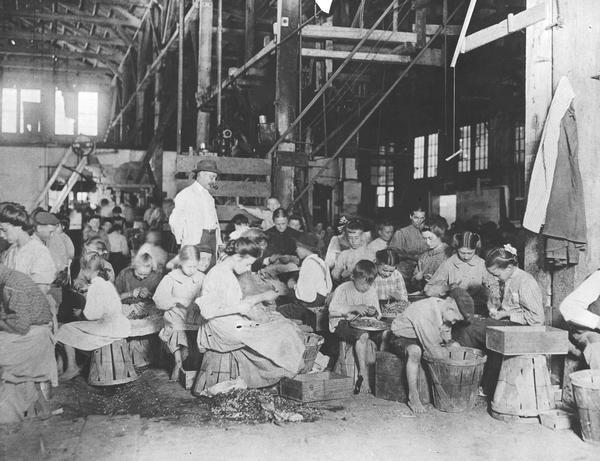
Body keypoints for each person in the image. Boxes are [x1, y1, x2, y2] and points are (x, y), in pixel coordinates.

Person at [193, 238, 305, 391]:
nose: (248, 267)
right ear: (237, 257)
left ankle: (278, 373)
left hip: (231, 321)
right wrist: (240, 308)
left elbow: (231, 302)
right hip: (221, 327)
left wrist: (255, 301)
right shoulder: (217, 275)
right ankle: (282, 373)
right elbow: (206, 311)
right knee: (281, 330)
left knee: (280, 323)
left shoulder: (227, 272)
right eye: (247, 263)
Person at [390, 287, 474, 413]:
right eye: (455, 319)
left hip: (422, 336)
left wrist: (453, 346)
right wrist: (453, 363)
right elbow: (434, 351)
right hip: (402, 336)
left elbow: (445, 334)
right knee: (415, 352)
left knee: (455, 346)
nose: (453, 322)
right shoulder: (425, 311)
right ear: (450, 307)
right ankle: (413, 397)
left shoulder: (444, 310)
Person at [453, 245, 545, 350]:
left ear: (509, 267)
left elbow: (537, 320)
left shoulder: (526, 282)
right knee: (465, 323)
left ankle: (467, 361)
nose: (496, 279)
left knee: (470, 329)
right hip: (509, 324)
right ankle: (467, 359)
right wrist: (495, 308)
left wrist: (507, 314)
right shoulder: (507, 279)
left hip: (523, 330)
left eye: (497, 275)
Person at [56, 253, 131, 381]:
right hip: (119, 325)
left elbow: (91, 315)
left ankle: (72, 367)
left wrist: (81, 313)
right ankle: (81, 363)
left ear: (86, 270)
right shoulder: (105, 283)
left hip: (107, 328)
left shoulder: (95, 287)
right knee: (73, 328)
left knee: (65, 329)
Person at [0, 263, 57, 423]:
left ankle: (15, 407)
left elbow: (21, 326)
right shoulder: (7, 279)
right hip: (31, 331)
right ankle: (32, 405)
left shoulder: (14, 284)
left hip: (36, 334)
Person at [329, 260, 382, 394]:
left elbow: (378, 314)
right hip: (340, 322)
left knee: (385, 334)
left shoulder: (371, 291)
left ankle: (379, 378)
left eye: (369, 283)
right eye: (363, 283)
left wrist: (373, 312)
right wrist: (354, 308)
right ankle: (362, 375)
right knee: (362, 335)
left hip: (362, 323)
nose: (366, 287)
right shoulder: (343, 288)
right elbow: (332, 309)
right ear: (353, 277)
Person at [154, 246, 206, 379]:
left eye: (195, 266)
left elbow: (209, 298)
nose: (192, 270)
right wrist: (176, 300)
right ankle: (178, 361)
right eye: (189, 266)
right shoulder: (171, 277)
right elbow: (158, 301)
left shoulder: (202, 277)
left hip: (194, 316)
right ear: (181, 262)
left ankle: (187, 360)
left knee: (200, 332)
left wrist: (198, 303)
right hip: (176, 315)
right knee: (177, 329)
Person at [425, 231, 499, 315]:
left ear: (476, 249)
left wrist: (493, 297)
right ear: (456, 249)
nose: (466, 257)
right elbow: (428, 290)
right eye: (462, 253)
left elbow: (494, 286)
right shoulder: (449, 263)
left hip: (478, 308)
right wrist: (447, 287)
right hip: (454, 309)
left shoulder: (481, 264)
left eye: (470, 253)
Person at [169, 159, 222, 262]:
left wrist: (218, 241)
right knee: (194, 267)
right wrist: (182, 240)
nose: (214, 182)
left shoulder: (209, 197)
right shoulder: (185, 194)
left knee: (210, 268)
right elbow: (174, 221)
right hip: (196, 239)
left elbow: (215, 221)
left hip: (211, 238)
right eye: (212, 177)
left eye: (215, 178)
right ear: (201, 174)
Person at [0, 203, 56, 295]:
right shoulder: (12, 250)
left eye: (4, 230)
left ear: (18, 226)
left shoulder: (39, 252)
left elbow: (40, 293)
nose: (1, 235)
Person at [277, 233, 333, 323]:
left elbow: (306, 296)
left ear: (303, 247)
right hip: (323, 299)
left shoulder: (308, 263)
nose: (296, 251)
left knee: (278, 311)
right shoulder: (320, 261)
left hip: (311, 303)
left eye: (297, 248)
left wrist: (293, 285)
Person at [560, 270, 600, 369]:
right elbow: (567, 308)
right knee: (597, 348)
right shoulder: (598, 278)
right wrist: (598, 322)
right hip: (590, 331)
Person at [115, 253, 162, 319]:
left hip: (147, 309)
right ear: (133, 267)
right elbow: (114, 297)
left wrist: (149, 295)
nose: (142, 277)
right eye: (139, 274)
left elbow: (161, 301)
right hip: (125, 307)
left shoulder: (155, 277)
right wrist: (130, 294)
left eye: (146, 275)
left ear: (151, 270)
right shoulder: (124, 274)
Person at [413, 216, 451, 290]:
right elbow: (414, 284)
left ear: (440, 235)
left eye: (430, 238)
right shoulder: (423, 256)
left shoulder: (449, 254)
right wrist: (417, 279)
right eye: (424, 238)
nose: (427, 242)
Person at [331, 219, 375, 283]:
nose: (353, 241)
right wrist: (340, 274)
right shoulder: (344, 254)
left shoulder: (370, 254)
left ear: (362, 236)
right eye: (350, 238)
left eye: (356, 238)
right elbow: (334, 274)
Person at [374, 249, 409, 316]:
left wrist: (399, 297)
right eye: (385, 270)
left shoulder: (397, 275)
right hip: (374, 309)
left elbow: (405, 299)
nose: (387, 274)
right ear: (377, 263)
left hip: (392, 311)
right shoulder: (371, 274)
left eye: (391, 271)